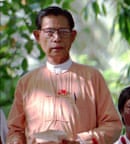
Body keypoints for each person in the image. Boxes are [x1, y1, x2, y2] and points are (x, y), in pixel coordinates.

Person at [6, 6, 122, 144]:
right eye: (49, 32)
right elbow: (14, 130)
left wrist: (82, 141)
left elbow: (113, 125)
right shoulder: (26, 83)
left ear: (73, 36)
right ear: (37, 36)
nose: (56, 38)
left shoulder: (91, 78)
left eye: (63, 32)